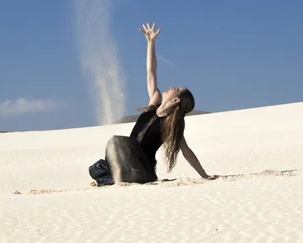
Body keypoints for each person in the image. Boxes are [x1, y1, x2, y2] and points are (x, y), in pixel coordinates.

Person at [89, 22, 214, 185]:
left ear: (176, 100)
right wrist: (151, 43)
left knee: (116, 141)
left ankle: (117, 180)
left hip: (142, 170)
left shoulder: (171, 124)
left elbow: (187, 152)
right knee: (95, 168)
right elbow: (151, 71)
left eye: (174, 89)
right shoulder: (154, 103)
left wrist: (204, 175)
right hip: (128, 162)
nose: (170, 87)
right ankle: (116, 178)